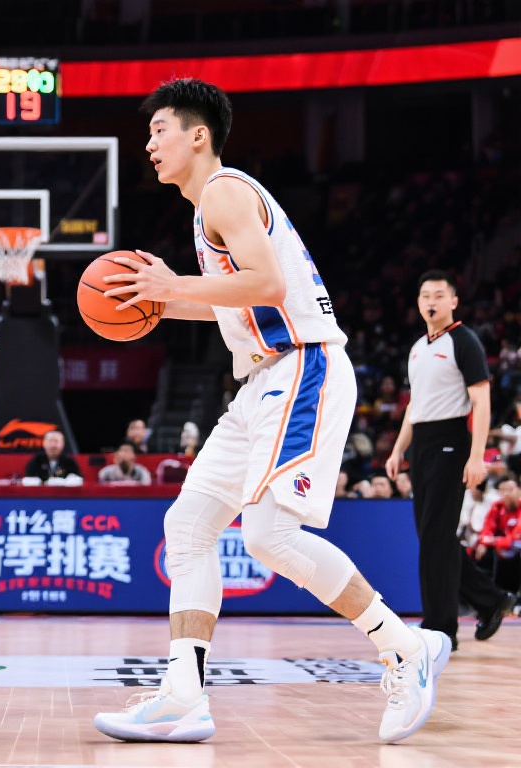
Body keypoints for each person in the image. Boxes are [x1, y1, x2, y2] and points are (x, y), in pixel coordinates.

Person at [92, 78, 449, 746]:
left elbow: (268, 284)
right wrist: (159, 302)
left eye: (160, 130)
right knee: (188, 526)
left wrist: (174, 283)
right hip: (262, 380)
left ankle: (405, 647)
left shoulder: (224, 191)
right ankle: (183, 696)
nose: (150, 145)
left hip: (302, 366)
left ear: (199, 135)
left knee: (267, 537)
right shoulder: (211, 207)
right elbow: (238, 302)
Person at [386, 270, 517, 649]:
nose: (431, 301)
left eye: (439, 295)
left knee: (435, 538)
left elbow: (482, 402)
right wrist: (398, 449)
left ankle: (441, 628)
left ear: (454, 301)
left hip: (451, 441)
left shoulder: (465, 341)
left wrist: (476, 457)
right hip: (423, 444)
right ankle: (491, 600)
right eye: (425, 295)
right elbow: (415, 406)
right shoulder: (417, 348)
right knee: (434, 537)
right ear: (418, 302)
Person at [471, 473, 521, 592]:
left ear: (518, 491)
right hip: (502, 547)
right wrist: (484, 543)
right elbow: (487, 529)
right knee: (479, 548)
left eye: (510, 490)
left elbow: (514, 538)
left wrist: (494, 541)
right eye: (503, 490)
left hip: (515, 547)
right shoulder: (497, 507)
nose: (506, 493)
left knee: (514, 547)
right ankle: (489, 592)